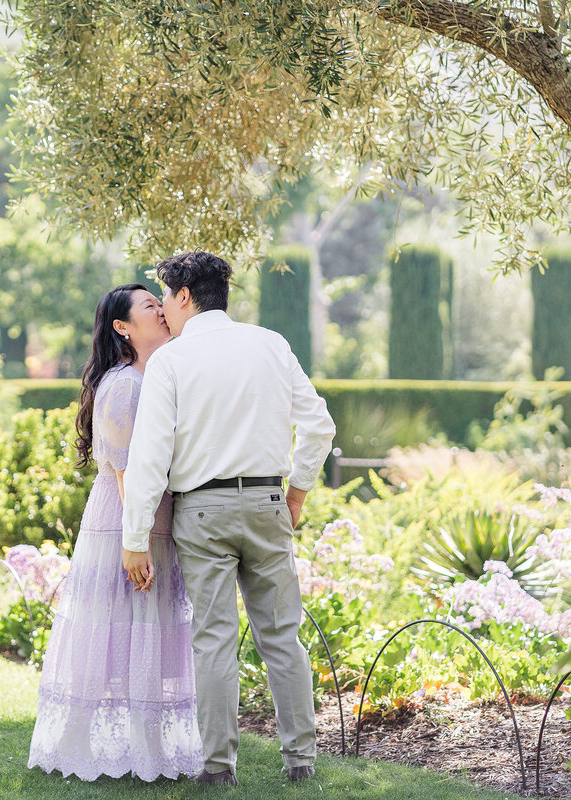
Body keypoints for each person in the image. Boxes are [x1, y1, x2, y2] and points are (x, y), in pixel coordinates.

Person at [121, 252, 336, 786]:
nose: (164, 307)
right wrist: (297, 494)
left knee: (214, 639)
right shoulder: (270, 344)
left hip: (203, 512)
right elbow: (319, 426)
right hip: (267, 504)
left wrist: (134, 539)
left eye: (166, 295)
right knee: (283, 637)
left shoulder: (170, 362)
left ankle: (219, 770)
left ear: (185, 295)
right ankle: (301, 763)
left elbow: (150, 457)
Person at [27, 284, 203, 782]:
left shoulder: (161, 376)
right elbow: (127, 471)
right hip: (125, 520)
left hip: (153, 519)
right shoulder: (125, 385)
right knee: (117, 628)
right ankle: (95, 749)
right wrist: (137, 542)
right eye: (149, 306)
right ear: (123, 328)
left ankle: (148, 751)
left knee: (145, 628)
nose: (161, 310)